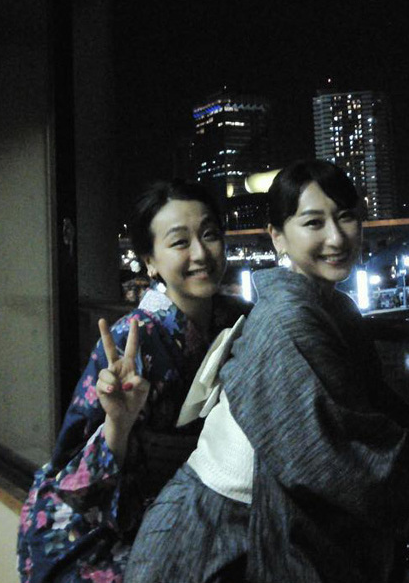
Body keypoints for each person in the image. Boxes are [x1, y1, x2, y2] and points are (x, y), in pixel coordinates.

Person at [127, 160, 409, 583]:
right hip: (208, 545)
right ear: (278, 237)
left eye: (346, 217)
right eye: (313, 223)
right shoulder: (288, 321)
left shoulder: (331, 308)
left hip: (233, 532)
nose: (336, 237)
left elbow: (387, 427)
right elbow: (355, 460)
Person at [17, 180, 248, 582]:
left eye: (210, 234)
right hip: (96, 529)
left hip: (184, 508)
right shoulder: (133, 339)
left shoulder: (238, 320)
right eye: (180, 242)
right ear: (150, 262)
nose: (200, 253)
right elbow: (72, 472)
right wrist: (117, 424)